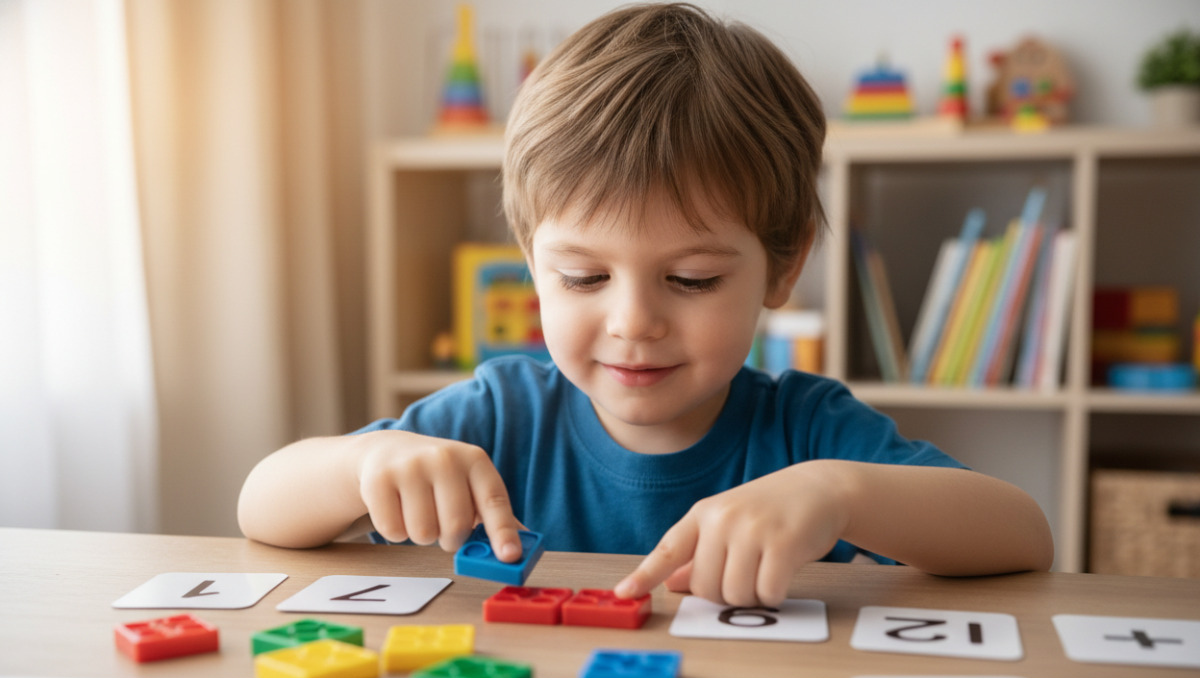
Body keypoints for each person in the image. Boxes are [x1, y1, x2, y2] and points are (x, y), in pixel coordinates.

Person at [238, 3, 1053, 607]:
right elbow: (262, 506)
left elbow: (1023, 534)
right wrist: (360, 466)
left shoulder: (806, 432)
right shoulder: (497, 416)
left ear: (782, 265)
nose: (633, 322)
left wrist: (842, 493)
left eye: (692, 279)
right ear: (532, 267)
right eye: (583, 278)